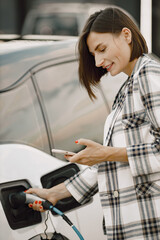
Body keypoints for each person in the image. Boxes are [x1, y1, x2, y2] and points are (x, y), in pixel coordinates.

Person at [26, 7, 160, 239]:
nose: (98, 61)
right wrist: (55, 193)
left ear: (126, 35)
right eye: (94, 54)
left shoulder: (150, 75)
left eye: (102, 49)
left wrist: (107, 153)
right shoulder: (128, 85)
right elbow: (113, 163)